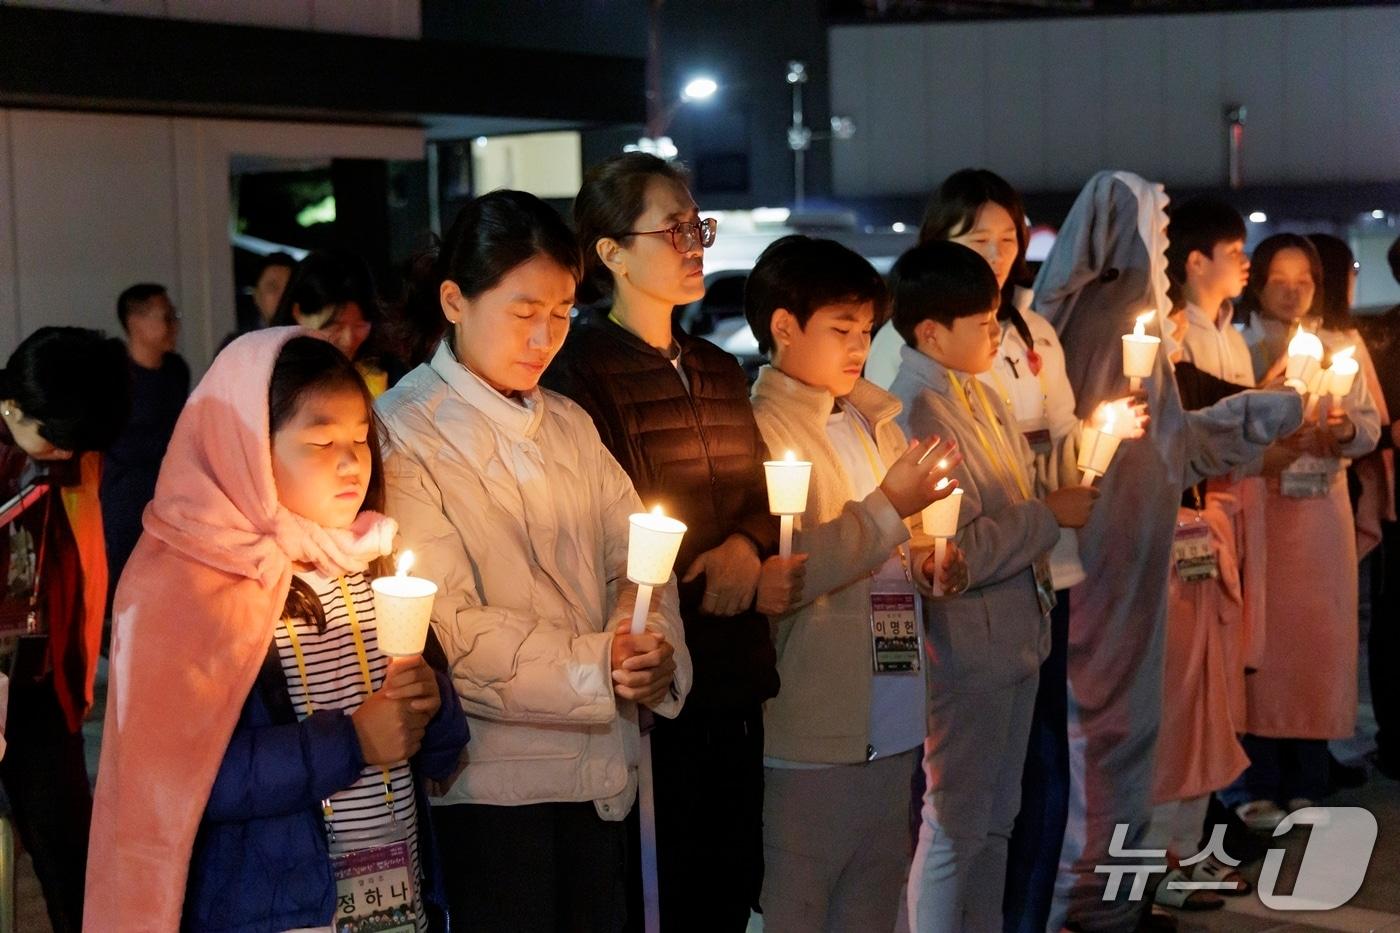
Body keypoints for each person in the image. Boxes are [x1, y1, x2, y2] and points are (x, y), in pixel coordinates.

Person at [377, 189, 692, 932]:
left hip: (599, 779)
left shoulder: (569, 424)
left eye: (562, 312)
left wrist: (651, 643)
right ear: (454, 301)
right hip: (491, 792)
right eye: (524, 313)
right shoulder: (402, 432)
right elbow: (447, 626)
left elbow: (637, 559)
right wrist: (600, 662)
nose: (546, 337)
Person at [86, 330, 468, 931]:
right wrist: (353, 742)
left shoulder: (372, 562)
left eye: (360, 438)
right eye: (319, 441)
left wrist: (432, 703)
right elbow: (177, 782)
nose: (351, 461)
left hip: (396, 901)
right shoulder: (185, 585)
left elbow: (442, 751)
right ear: (245, 450)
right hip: (273, 910)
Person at [1032, 171, 1303, 933]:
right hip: (1104, 559)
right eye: (1151, 230)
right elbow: (1131, 443)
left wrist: (1250, 417)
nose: (1158, 243)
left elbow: (1169, 439)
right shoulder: (1098, 327)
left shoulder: (1136, 326)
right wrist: (1244, 421)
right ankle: (1089, 898)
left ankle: (1118, 892)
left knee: (1134, 730)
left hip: (1141, 554)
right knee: (1102, 732)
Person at [543, 153, 787, 931]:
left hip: (735, 673)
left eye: (697, 227)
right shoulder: (580, 373)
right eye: (674, 229)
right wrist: (692, 575)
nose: (694, 245)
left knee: (729, 888)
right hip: (655, 684)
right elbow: (598, 527)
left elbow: (759, 488)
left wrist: (748, 542)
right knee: (661, 894)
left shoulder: (717, 367)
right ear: (611, 253)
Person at [742, 235, 967, 933]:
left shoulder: (875, 421)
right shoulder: (758, 429)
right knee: (798, 907)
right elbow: (786, 571)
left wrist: (929, 563)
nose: (858, 347)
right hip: (809, 731)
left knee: (874, 907)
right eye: (841, 329)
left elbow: (899, 542)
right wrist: (888, 508)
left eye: (866, 330)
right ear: (784, 327)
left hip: (892, 719)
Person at [887, 240, 1101, 933]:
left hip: (1013, 639)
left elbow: (1013, 499)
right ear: (930, 332)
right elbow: (954, 555)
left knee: (997, 818)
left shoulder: (976, 391)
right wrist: (1049, 515)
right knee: (954, 821)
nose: (995, 334)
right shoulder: (918, 412)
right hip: (966, 652)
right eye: (982, 323)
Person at [1227, 234, 1381, 828]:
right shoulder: (1238, 345)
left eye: (1305, 281)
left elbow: (1368, 425)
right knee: (1261, 641)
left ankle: (1308, 777)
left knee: (1318, 642)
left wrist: (1342, 432)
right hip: (1261, 510)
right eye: (1279, 281)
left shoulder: (1342, 345)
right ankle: (1256, 777)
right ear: (1258, 285)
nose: (1293, 293)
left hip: (1320, 516)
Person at [1147, 199, 1263, 909]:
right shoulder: (1153, 353)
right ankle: (1157, 856)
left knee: (1206, 699)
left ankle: (1188, 847)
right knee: (1172, 705)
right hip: (1162, 548)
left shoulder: (1209, 348)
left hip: (1206, 534)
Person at [0, 327, 128, 933]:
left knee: (73, 867)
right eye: (53, 439)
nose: (64, 453)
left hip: (42, 687)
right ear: (10, 405)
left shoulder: (73, 451)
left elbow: (85, 564)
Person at [100, 283, 189, 604]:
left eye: (174, 315)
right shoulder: (113, 377)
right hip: (126, 500)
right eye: (166, 316)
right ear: (135, 322)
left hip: (173, 499)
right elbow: (116, 442)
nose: (174, 325)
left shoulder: (176, 370)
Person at [1356, 234, 1400, 779]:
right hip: (1393, 503)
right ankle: (1394, 741)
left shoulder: (1382, 333)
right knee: (1392, 620)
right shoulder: (1382, 337)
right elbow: (1369, 420)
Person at [274, 248, 405, 396]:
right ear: (298, 313)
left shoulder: (388, 376)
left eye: (360, 325)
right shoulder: (273, 380)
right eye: (335, 326)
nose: (348, 340)